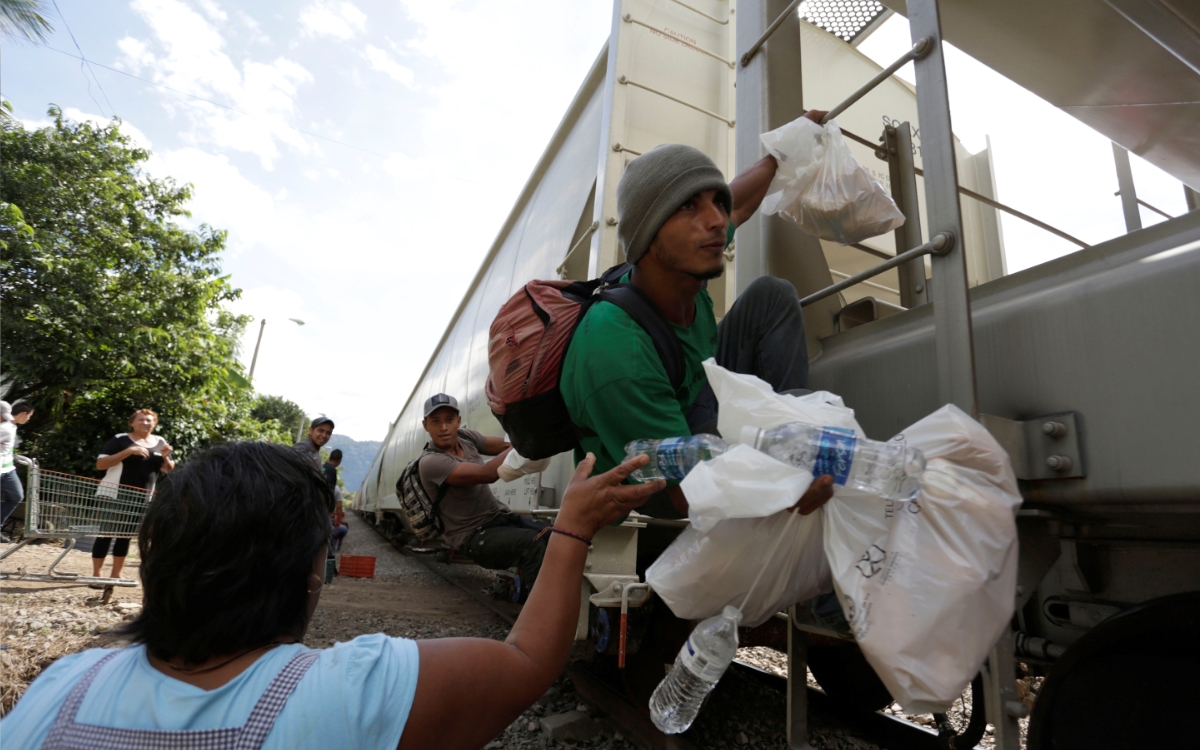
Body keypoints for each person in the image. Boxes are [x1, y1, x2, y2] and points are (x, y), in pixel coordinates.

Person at [0, 441, 662, 750]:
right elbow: (525, 662)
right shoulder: (349, 693)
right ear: (311, 574)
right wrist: (574, 527)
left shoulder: (62, 687)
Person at [561, 112, 837, 521]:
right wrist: (783, 484)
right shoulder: (617, 352)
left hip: (689, 394)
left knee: (771, 295)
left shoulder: (680, 260)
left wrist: (784, 148)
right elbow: (683, 494)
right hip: (646, 475)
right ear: (648, 232)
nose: (716, 221)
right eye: (689, 206)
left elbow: (738, 202)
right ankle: (784, 445)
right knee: (739, 441)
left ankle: (786, 428)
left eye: (715, 204)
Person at [418, 393, 549, 598]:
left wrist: (529, 435)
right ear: (426, 425)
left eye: (449, 420)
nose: (443, 427)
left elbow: (507, 446)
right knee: (533, 543)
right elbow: (486, 474)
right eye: (436, 421)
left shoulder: (465, 437)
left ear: (458, 421)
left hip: (499, 519)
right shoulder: (431, 462)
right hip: (474, 536)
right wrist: (527, 437)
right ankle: (540, 617)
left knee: (554, 535)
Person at [92, 409, 174, 583]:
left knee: (125, 535)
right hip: (114, 493)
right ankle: (96, 575)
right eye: (141, 420)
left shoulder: (160, 442)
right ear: (132, 423)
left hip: (142, 497)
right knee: (105, 533)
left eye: (149, 420)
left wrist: (166, 458)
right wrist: (128, 452)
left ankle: (116, 574)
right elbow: (100, 464)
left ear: (155, 423)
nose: (145, 423)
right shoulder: (120, 439)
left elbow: (168, 469)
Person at [0, 402, 34, 531]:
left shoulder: (12, 426)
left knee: (17, 496)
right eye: (29, 416)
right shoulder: (6, 429)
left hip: (8, 470)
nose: (28, 419)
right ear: (23, 414)